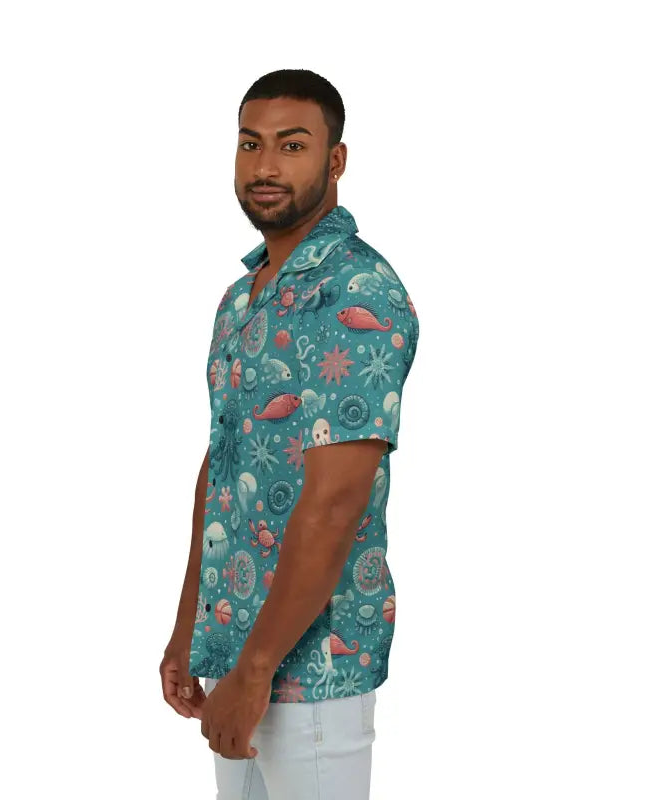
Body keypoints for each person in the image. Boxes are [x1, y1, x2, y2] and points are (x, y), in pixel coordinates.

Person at [159, 68, 419, 800]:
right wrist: (190, 629)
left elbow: (335, 503)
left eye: (293, 145)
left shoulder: (355, 292)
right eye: (251, 144)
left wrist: (255, 672)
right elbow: (223, 467)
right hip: (234, 647)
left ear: (336, 160)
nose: (266, 166)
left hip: (313, 672)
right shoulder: (241, 299)